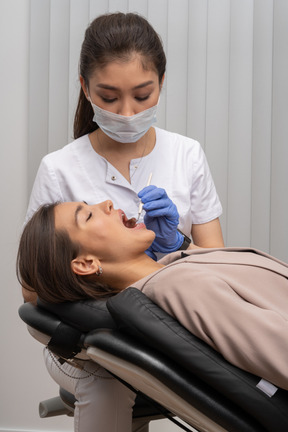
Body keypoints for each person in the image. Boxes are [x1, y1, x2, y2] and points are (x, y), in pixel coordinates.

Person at [23, 11, 224, 432]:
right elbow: (34, 290)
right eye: (109, 98)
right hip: (86, 339)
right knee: (109, 377)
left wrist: (174, 248)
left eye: (143, 95)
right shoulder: (60, 169)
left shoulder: (186, 155)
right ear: (85, 88)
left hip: (176, 327)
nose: (128, 112)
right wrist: (118, 288)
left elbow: (216, 269)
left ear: (161, 84)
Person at [18, 199, 288, 395]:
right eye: (87, 216)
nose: (108, 203)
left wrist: (179, 244)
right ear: (87, 263)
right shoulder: (179, 286)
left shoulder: (174, 269)